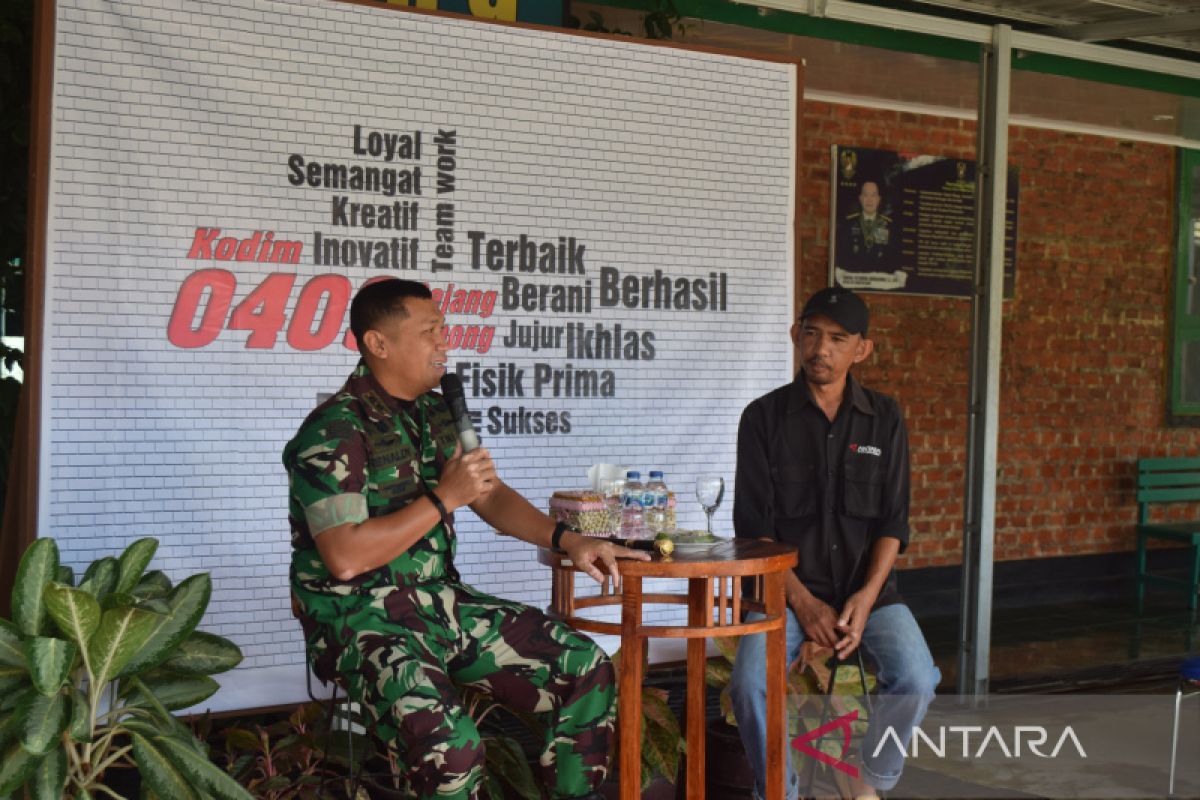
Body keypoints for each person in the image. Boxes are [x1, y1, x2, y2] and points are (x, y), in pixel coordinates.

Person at [284, 278, 648, 800]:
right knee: (451, 744)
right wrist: (442, 498)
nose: (444, 343)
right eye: (430, 331)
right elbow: (344, 557)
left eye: (444, 329)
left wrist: (568, 539)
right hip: (358, 619)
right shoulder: (334, 430)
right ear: (377, 343)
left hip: (436, 603)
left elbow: (490, 496)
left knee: (583, 668)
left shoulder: (435, 414)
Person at [729, 286, 939, 800]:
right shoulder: (762, 418)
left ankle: (869, 780)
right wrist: (805, 603)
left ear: (861, 349)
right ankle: (780, 792)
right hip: (785, 592)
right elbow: (753, 531)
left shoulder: (884, 419)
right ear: (795, 335)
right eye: (812, 334)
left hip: (869, 592)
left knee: (917, 678)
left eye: (838, 338)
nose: (821, 348)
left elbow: (894, 521)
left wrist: (866, 599)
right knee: (749, 686)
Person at [837, 180, 895, 270]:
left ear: (879, 199)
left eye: (873, 195)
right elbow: (841, 256)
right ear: (860, 198)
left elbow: (892, 258)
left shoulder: (890, 226)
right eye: (866, 195)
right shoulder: (848, 224)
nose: (869, 199)